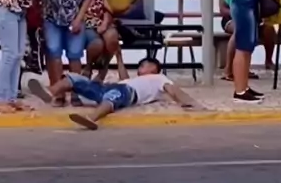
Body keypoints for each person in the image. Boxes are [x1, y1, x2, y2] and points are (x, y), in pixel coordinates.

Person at [28, 46, 196, 130]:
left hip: (128, 93)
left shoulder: (159, 78)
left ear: (154, 68)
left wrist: (185, 102)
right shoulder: (136, 79)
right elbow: (124, 79)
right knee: (74, 78)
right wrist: (119, 58)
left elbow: (172, 89)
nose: (140, 68)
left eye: (144, 65)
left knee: (113, 96)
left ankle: (92, 118)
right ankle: (50, 92)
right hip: (112, 87)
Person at [38, 0, 94, 106]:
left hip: (75, 18)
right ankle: (59, 93)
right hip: (52, 18)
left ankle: (76, 92)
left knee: (74, 55)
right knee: (54, 53)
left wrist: (79, 19)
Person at [219, 0, 276, 80]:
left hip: (254, 17)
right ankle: (228, 69)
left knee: (269, 29)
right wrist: (236, 12)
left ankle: (268, 60)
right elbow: (222, 9)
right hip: (231, 18)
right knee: (241, 30)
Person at [83, 0, 120, 81]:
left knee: (112, 38)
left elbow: (109, 10)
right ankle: (88, 67)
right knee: (97, 43)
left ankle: (104, 68)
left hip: (102, 21)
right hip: (85, 24)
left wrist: (105, 23)